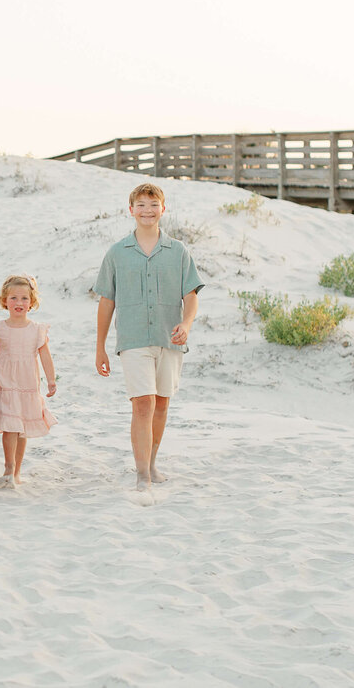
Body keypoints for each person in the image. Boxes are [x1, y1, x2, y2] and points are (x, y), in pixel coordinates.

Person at [93, 183, 203, 497]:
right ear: (131, 210)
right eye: (140, 205)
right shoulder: (116, 253)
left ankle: (152, 463)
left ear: (162, 209)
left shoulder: (179, 250)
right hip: (133, 337)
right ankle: (142, 474)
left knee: (162, 405)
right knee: (143, 404)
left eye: (153, 205)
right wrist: (100, 346)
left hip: (169, 337)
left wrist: (186, 323)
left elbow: (190, 296)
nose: (147, 210)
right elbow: (106, 302)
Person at [0, 274, 57, 488]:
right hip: (4, 384)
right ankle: (9, 467)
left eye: (24, 299)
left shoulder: (36, 329)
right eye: (13, 298)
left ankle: (16, 471)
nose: (19, 303)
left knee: (21, 428)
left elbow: (45, 356)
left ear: (32, 303)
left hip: (27, 386)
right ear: (4, 301)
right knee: (11, 425)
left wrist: (50, 380)